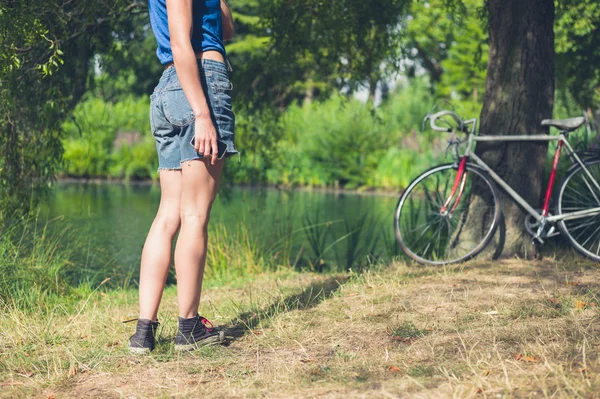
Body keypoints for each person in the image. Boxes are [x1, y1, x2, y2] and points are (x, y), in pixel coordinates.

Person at [128, 0, 238, 354]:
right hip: (198, 82)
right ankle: (189, 328)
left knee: (169, 214)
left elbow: (226, 30)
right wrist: (202, 113)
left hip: (169, 88)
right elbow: (180, 41)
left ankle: (144, 332)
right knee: (194, 214)